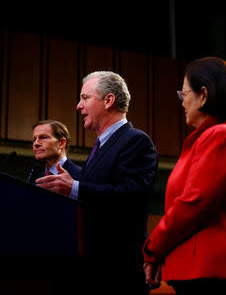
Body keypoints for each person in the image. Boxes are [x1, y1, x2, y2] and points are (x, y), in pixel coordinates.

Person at [35, 71, 158, 294]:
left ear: (108, 100)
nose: (78, 106)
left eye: (85, 97)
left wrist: (74, 188)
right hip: (94, 270)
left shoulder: (136, 141)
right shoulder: (100, 145)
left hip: (119, 272)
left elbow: (131, 195)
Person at [143, 57, 226, 295]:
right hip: (204, 273)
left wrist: (153, 249)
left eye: (183, 94)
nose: (182, 103)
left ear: (203, 95)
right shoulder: (213, 136)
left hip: (214, 274)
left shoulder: (221, 135)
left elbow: (192, 204)